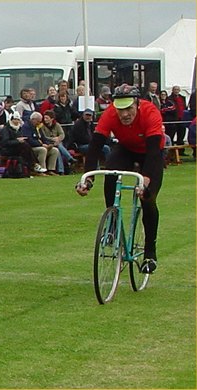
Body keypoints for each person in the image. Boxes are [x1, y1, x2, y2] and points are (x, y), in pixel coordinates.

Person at [76, 84, 165, 274]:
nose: (124, 114)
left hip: (151, 152)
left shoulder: (150, 112)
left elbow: (153, 152)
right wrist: (88, 179)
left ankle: (150, 252)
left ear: (137, 105)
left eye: (128, 109)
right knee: (111, 172)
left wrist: (146, 181)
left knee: (148, 199)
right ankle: (113, 223)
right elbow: (94, 147)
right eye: (120, 110)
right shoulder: (109, 114)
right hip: (126, 149)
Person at [40, 110, 76, 174]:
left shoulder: (57, 125)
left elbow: (62, 134)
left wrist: (58, 138)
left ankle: (61, 170)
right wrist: (53, 139)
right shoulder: (42, 126)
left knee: (58, 148)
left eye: (47, 118)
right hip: (48, 142)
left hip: (57, 142)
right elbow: (43, 137)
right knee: (58, 146)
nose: (45, 119)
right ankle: (69, 158)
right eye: (44, 118)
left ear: (52, 119)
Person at [169, 85, 187, 151]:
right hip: (174, 120)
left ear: (179, 90)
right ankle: (171, 151)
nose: (176, 91)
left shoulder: (182, 98)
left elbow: (185, 107)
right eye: (175, 89)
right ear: (172, 90)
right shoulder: (169, 99)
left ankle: (181, 151)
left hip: (182, 119)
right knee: (171, 135)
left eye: (177, 89)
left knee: (181, 135)